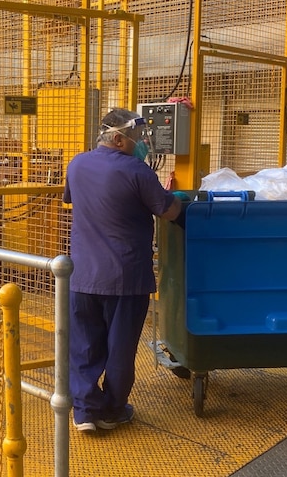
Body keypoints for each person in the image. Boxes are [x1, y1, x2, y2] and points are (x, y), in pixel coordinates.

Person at [63, 107, 182, 432]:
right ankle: (113, 410)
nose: (143, 143)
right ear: (118, 139)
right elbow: (170, 211)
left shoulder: (77, 164)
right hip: (125, 278)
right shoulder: (136, 171)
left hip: (82, 276)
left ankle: (85, 411)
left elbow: (72, 199)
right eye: (138, 137)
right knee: (120, 349)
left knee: (84, 345)